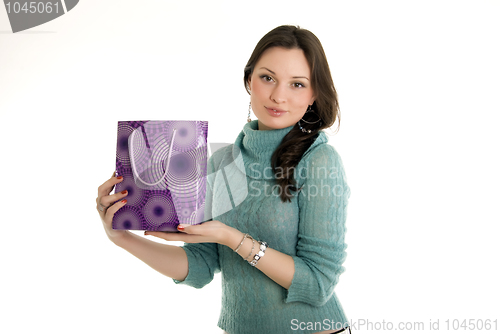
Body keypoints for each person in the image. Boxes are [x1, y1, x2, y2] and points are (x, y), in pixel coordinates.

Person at [96, 25, 351, 334]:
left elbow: (317, 284)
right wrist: (120, 236)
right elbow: (201, 265)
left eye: (297, 84)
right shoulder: (221, 161)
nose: (278, 96)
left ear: (313, 95)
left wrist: (231, 238)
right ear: (249, 81)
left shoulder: (320, 161)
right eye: (267, 78)